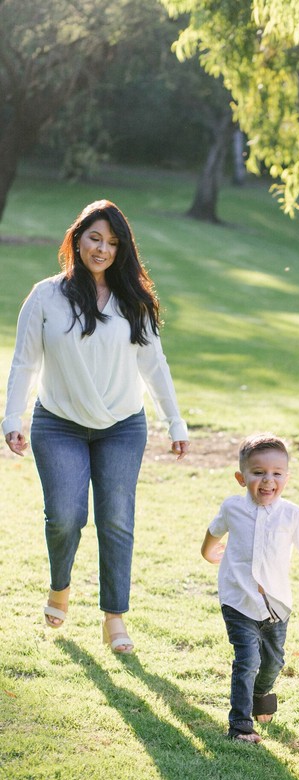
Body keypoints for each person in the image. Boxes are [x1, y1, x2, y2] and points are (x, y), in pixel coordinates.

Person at [2, 199, 189, 654]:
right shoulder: (45, 296)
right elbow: (25, 362)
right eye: (95, 238)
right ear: (77, 239)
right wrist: (12, 417)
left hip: (122, 426)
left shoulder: (134, 301)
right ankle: (60, 586)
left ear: (122, 249)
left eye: (112, 242)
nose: (102, 249)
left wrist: (175, 422)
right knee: (65, 517)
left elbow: (155, 365)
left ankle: (114, 619)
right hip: (58, 424)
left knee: (116, 520)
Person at [201, 433, 299, 743]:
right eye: (258, 472)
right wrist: (208, 553)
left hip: (277, 604)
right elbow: (213, 532)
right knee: (248, 660)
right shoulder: (232, 508)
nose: (268, 480)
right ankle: (240, 725)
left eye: (276, 473)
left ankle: (260, 694)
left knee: (273, 662)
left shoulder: (291, 514)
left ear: (287, 477)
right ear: (241, 478)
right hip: (238, 599)